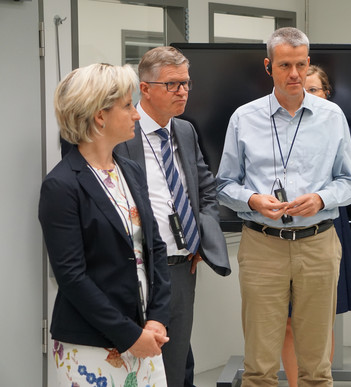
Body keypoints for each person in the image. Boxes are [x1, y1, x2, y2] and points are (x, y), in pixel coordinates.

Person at [216, 27, 351, 386]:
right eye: (285, 65)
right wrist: (251, 199)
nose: (294, 74)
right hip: (263, 245)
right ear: (269, 66)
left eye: (300, 64)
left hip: (318, 243)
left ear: (308, 62)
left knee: (317, 368)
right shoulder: (244, 118)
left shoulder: (332, 117)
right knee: (259, 367)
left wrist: (321, 199)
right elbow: (223, 185)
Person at [39, 63, 171, 386]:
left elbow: (154, 247)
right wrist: (129, 335)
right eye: (128, 106)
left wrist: (156, 318)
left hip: (144, 338)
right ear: (100, 116)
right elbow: (72, 278)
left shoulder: (129, 170)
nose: (137, 114)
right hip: (90, 346)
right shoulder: (61, 186)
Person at [114, 46, 231, 387]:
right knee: (136, 364)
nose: (182, 92)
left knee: (174, 363)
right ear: (145, 89)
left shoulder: (185, 131)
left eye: (186, 84)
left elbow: (207, 190)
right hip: (136, 266)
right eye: (172, 85)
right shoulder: (122, 135)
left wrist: (200, 239)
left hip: (181, 267)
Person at [280, 64, 351, 387]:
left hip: (326, 226)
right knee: (287, 321)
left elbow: (346, 179)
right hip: (280, 229)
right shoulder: (272, 124)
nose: (306, 94)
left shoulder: (337, 124)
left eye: (314, 89)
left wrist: (318, 197)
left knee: (318, 321)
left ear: (326, 94)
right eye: (303, 89)